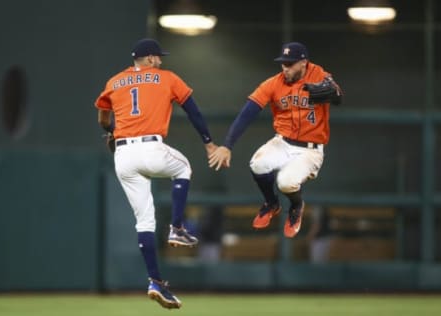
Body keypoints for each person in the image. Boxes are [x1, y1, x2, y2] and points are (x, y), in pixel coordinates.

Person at [95, 38, 217, 309]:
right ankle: (176, 227)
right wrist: (209, 142)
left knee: (144, 222)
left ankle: (155, 282)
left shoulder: (114, 82)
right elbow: (193, 111)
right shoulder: (167, 77)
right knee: (183, 168)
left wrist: (110, 133)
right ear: (149, 59)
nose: (160, 60)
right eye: (158, 57)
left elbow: (103, 118)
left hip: (123, 156)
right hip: (151, 147)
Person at [209, 42, 342, 238]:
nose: (285, 68)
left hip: (310, 149)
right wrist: (227, 145)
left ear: (303, 62)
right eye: (283, 64)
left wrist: (333, 92)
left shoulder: (319, 75)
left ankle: (296, 206)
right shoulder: (273, 83)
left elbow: (338, 96)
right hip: (283, 142)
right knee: (258, 164)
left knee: (286, 183)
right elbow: (247, 113)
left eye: (290, 64)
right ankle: (271, 203)